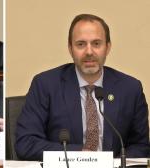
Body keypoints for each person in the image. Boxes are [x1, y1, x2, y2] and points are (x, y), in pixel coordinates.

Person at [15, 14, 149, 160]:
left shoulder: (130, 88)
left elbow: (140, 146)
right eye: (81, 44)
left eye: (96, 43)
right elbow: (25, 143)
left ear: (108, 47)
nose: (89, 52)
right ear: (70, 48)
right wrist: (80, 156)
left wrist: (111, 164)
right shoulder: (45, 85)